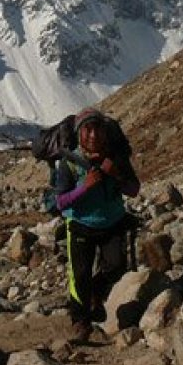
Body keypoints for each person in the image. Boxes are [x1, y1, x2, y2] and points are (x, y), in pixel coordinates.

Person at [52, 107, 140, 341]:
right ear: (80, 134)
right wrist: (85, 187)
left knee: (116, 265)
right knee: (79, 275)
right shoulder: (70, 163)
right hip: (80, 225)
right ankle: (80, 322)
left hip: (113, 222)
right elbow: (60, 202)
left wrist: (117, 176)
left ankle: (95, 294)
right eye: (88, 129)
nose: (93, 135)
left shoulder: (116, 157)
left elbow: (134, 190)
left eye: (98, 129)